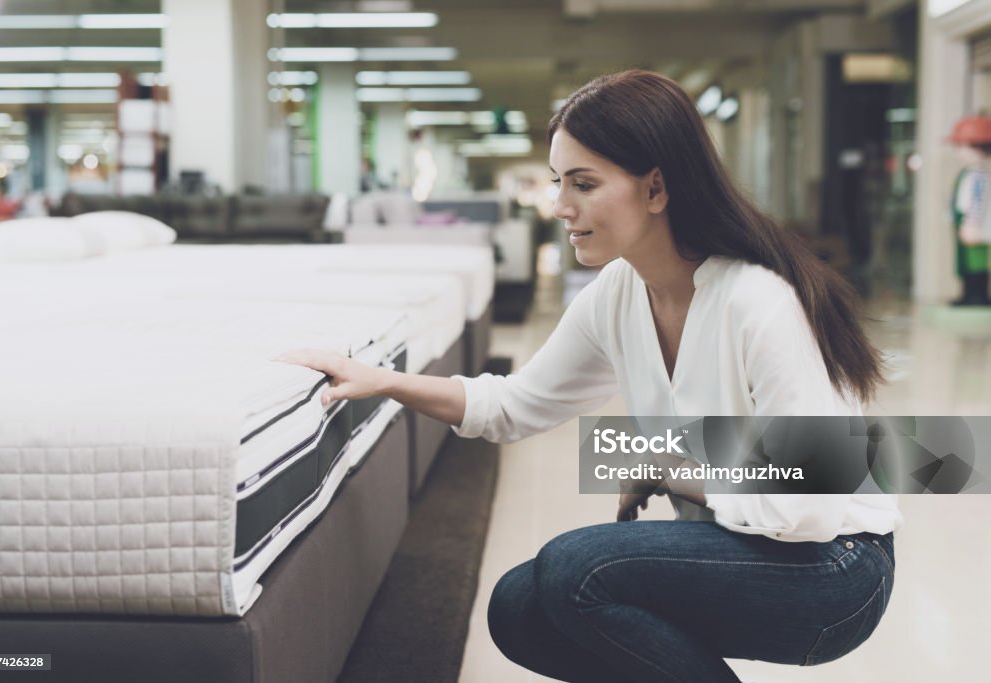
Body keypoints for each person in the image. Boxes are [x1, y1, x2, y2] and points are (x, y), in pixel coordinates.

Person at [277, 70, 902, 682]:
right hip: (758, 547)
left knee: (576, 568)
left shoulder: (758, 301)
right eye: (558, 182)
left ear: (656, 189)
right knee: (519, 609)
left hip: (836, 571)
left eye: (583, 183)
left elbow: (813, 506)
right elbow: (515, 404)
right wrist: (382, 381)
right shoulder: (620, 293)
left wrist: (673, 470)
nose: (559, 206)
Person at [949, 115, 991, 306]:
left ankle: (977, 295)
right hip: (965, 222)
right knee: (966, 262)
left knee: (977, 261)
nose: (959, 152)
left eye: (962, 147)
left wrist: (972, 223)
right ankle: (968, 294)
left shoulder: (979, 176)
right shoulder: (970, 174)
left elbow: (978, 202)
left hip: (973, 224)